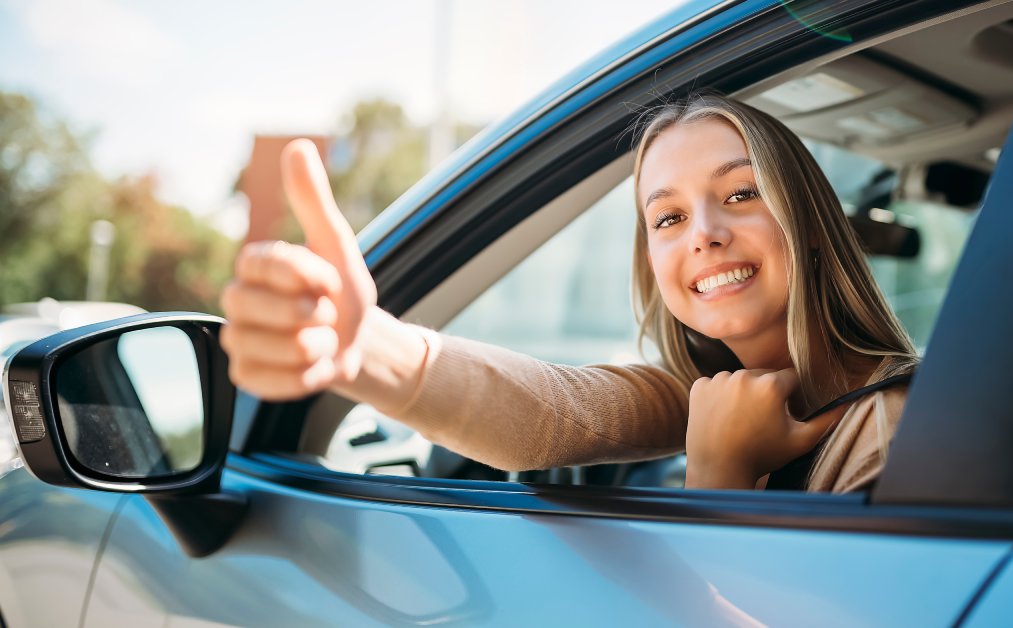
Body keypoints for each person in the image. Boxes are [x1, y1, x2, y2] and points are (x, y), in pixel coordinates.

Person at [219, 94, 918, 492]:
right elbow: (553, 415)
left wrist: (720, 471)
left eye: (740, 193)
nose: (702, 234)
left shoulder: (893, 428)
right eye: (667, 218)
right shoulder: (698, 393)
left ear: (813, 225)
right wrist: (365, 346)